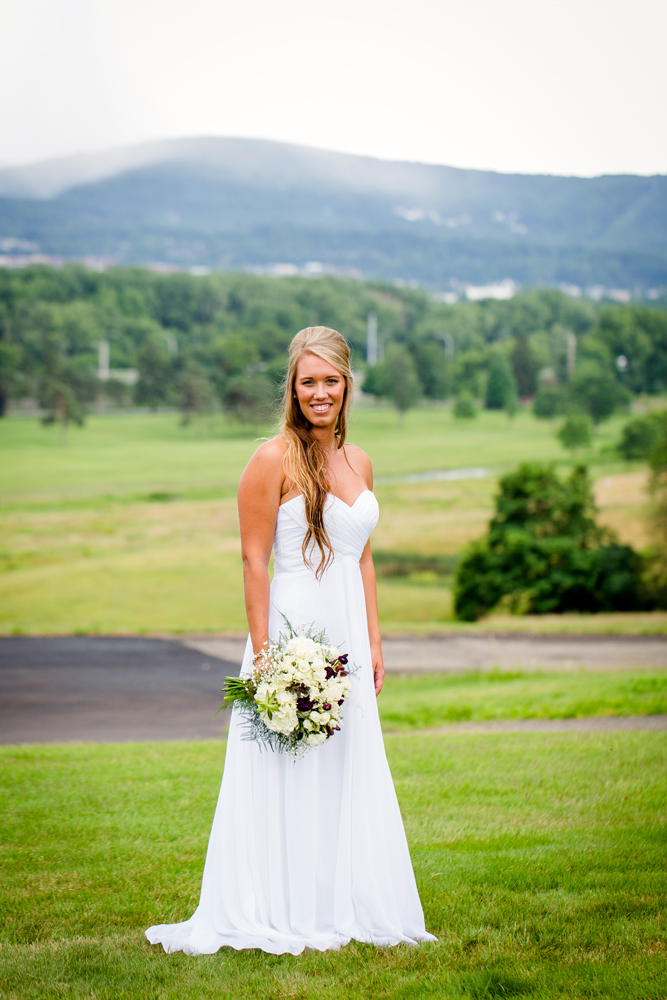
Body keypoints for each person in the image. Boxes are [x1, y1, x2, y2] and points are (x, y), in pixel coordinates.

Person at [146, 326, 436, 955]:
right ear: (293, 387)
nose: (320, 392)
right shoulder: (270, 459)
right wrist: (266, 658)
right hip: (291, 634)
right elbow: (254, 562)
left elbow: (361, 559)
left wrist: (376, 641)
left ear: (346, 383)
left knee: (341, 765)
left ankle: (341, 899)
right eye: (309, 381)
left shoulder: (358, 461)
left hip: (348, 637)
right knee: (287, 769)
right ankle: (283, 906)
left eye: (331, 380)